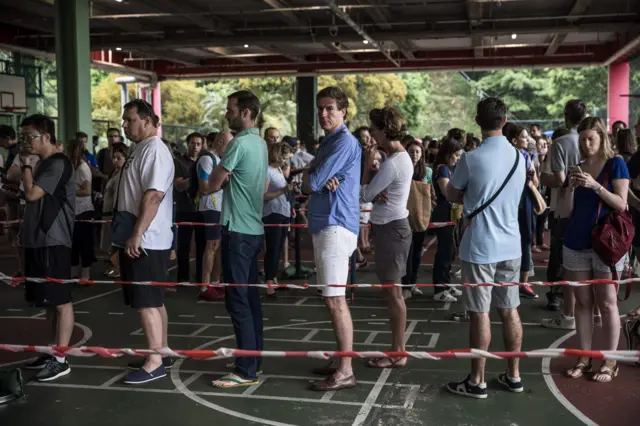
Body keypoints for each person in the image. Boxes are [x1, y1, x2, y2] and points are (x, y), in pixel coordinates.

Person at [444, 97, 526, 399]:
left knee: (480, 313)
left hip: (480, 246)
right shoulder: (521, 157)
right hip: (512, 244)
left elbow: (454, 194)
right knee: (510, 309)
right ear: (504, 121)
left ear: (478, 122)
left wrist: (445, 187)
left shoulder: (470, 158)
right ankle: (513, 375)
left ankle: (477, 381)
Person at [207, 90, 268, 388]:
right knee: (251, 300)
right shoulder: (261, 143)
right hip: (254, 231)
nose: (226, 113)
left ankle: (245, 370)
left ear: (245, 112)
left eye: (230, 108)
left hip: (238, 232)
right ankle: (254, 359)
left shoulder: (237, 145)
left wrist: (220, 165)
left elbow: (211, 184)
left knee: (238, 302)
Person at [302, 86, 361, 391]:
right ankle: (341, 359)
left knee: (336, 299)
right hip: (327, 223)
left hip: (335, 226)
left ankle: (346, 370)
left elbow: (310, 182)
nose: (323, 114)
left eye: (329, 109)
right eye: (320, 109)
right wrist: (315, 177)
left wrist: (313, 175)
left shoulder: (343, 142)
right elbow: (312, 180)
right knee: (331, 298)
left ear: (343, 112)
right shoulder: (330, 141)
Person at [562, 117, 629, 383]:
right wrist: (570, 188)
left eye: (591, 138)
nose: (586, 144)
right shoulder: (576, 168)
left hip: (607, 244)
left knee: (608, 303)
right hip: (576, 241)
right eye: (582, 139)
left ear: (602, 138)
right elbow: (566, 212)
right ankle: (584, 356)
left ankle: (609, 360)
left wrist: (595, 185)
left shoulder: (616, 164)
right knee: (582, 303)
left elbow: (621, 205)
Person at [116, 99, 175, 385]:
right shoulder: (139, 149)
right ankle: (161, 351)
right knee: (153, 300)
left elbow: (154, 196)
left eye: (130, 119)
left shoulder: (154, 150)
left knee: (147, 302)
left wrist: (137, 233)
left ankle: (155, 362)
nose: (125, 124)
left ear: (149, 121)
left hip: (147, 239)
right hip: (146, 236)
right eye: (124, 120)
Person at [19, 114, 76, 382]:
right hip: (37, 240)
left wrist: (26, 166)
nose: (25, 142)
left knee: (61, 300)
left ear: (45, 137)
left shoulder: (57, 164)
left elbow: (32, 194)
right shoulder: (43, 164)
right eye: (23, 137)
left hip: (54, 240)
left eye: (29, 137)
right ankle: (53, 350)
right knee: (49, 302)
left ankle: (61, 359)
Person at [361, 107, 413, 368]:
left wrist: (367, 164)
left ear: (384, 129)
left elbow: (366, 194)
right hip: (391, 228)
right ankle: (397, 349)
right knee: (394, 294)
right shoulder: (398, 159)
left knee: (394, 295)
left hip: (392, 229)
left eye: (374, 129)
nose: (372, 134)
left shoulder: (393, 162)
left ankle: (398, 352)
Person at [540, 100, 587, 321]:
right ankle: (585, 301)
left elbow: (559, 179)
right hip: (589, 208)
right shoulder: (596, 142)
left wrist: (542, 178)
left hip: (563, 207)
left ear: (566, 115)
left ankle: (556, 296)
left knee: (559, 256)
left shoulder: (561, 142)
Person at [195, 131, 232, 301]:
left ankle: (216, 283)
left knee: (219, 247)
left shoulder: (220, 160)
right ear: (220, 142)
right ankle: (205, 285)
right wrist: (224, 183)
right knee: (211, 246)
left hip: (221, 207)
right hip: (211, 207)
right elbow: (204, 188)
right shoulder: (206, 159)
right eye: (229, 145)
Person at [432, 138, 464, 302]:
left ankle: (446, 282)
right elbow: (446, 191)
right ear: (448, 154)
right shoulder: (442, 169)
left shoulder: (449, 169)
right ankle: (439, 288)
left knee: (450, 250)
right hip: (443, 214)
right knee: (445, 251)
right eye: (456, 155)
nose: (458, 159)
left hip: (450, 213)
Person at [402, 139, 433, 299]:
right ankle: (405, 286)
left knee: (417, 253)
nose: (414, 154)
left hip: (421, 218)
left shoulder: (427, 173)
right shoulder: (402, 169)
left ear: (422, 154)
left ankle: (413, 284)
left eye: (417, 151)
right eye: (411, 151)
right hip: (403, 217)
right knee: (407, 252)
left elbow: (432, 195)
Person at [263, 142, 293, 297]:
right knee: (273, 248)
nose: (285, 160)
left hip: (283, 212)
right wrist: (283, 190)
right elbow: (263, 195)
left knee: (279, 247)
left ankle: (273, 278)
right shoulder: (267, 171)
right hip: (272, 213)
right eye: (284, 157)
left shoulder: (279, 170)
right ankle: (268, 282)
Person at [173, 132, 203, 283]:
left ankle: (201, 276)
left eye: (198, 144)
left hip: (201, 210)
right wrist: (194, 179)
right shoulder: (179, 162)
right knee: (183, 245)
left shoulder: (205, 161)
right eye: (193, 143)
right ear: (188, 144)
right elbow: (178, 184)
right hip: (184, 209)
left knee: (202, 245)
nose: (195, 147)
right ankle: (183, 276)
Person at [66, 138, 95, 280]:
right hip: (73, 210)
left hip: (84, 210)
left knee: (84, 243)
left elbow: (87, 191)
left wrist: (69, 191)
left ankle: (85, 272)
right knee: (74, 242)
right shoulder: (72, 166)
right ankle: (74, 270)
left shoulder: (83, 168)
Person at [101, 146, 127, 278]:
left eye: (119, 158)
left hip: (114, 212)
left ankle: (118, 268)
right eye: (114, 157)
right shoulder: (114, 173)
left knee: (116, 242)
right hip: (107, 211)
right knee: (110, 242)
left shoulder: (122, 175)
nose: (115, 160)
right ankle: (115, 266)